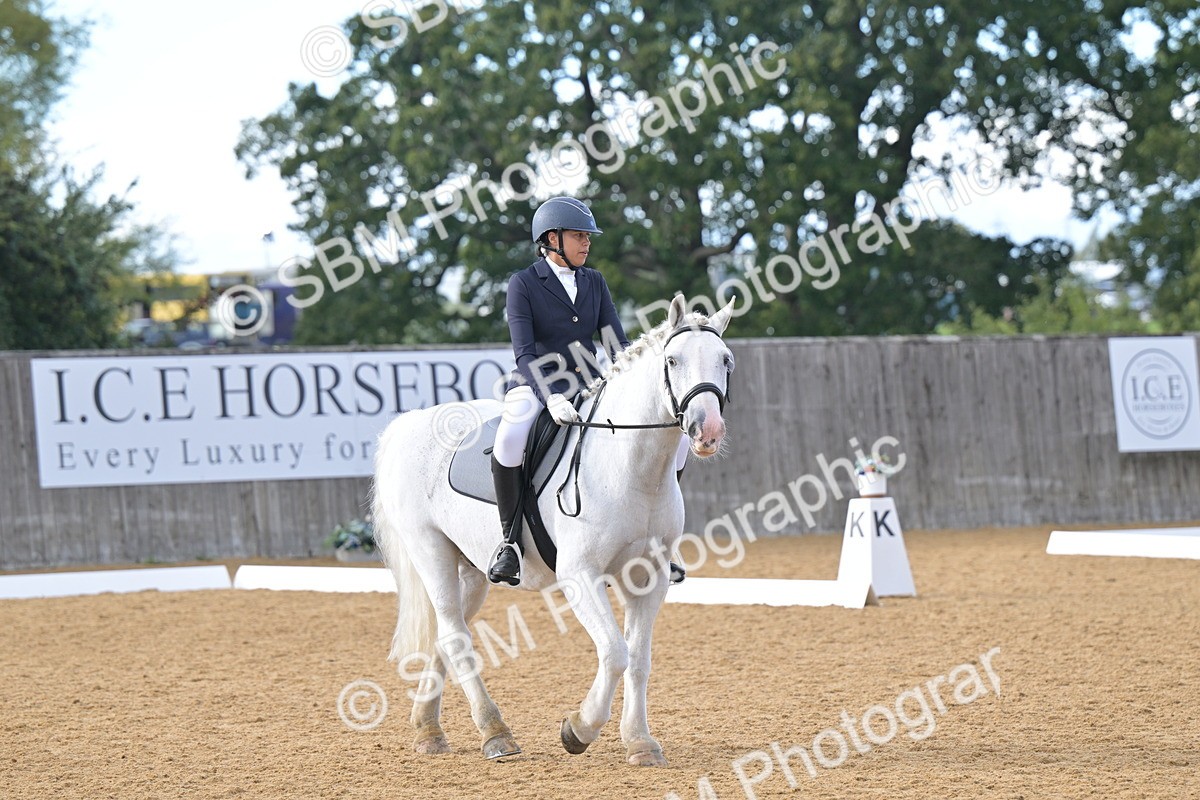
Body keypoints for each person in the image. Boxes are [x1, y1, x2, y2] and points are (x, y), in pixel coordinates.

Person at [487, 196, 689, 586]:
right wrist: (551, 396)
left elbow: (616, 343)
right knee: (510, 438)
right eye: (579, 235)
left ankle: (665, 540)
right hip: (536, 384)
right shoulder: (524, 284)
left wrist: (634, 379)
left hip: (591, 385)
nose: (586, 243)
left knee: (677, 439)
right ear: (551, 238)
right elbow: (524, 353)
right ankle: (510, 541)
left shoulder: (594, 281)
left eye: (587, 236)